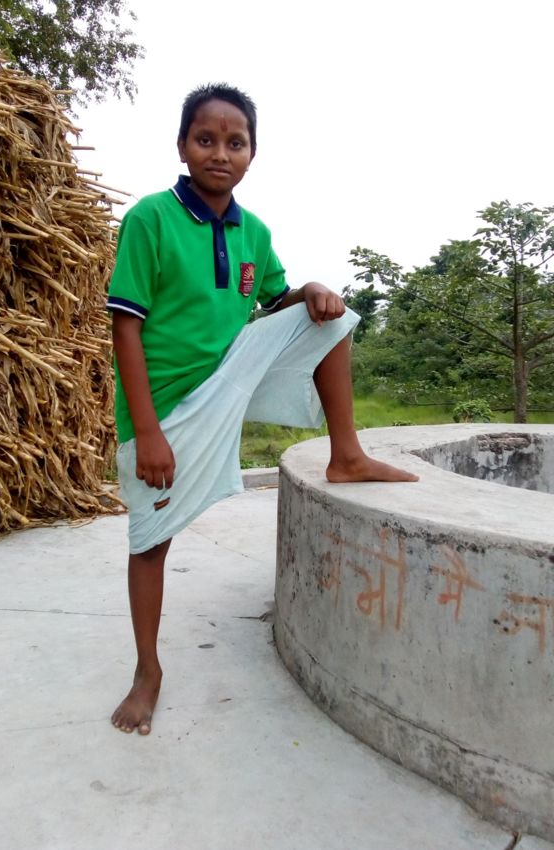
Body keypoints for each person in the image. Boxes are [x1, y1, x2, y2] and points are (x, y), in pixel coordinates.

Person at [107, 83, 418, 736]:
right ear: (182, 146)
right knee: (151, 544)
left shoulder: (254, 231)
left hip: (230, 375)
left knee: (332, 318)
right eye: (206, 139)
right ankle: (147, 671)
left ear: (252, 153)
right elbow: (125, 329)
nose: (220, 153)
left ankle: (347, 456)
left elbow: (276, 300)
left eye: (235, 142)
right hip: (167, 404)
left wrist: (312, 289)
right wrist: (150, 432)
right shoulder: (151, 219)